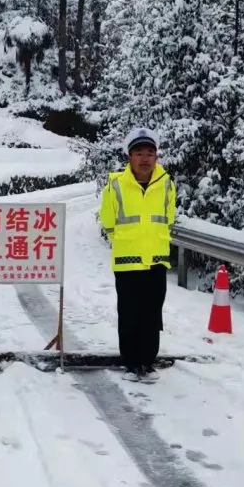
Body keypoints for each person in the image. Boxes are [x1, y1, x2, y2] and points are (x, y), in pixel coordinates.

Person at [99, 127, 176, 382]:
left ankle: (148, 361)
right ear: (129, 157)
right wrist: (124, 241)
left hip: (156, 260)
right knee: (130, 313)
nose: (145, 158)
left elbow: (169, 217)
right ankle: (132, 363)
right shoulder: (116, 185)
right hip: (127, 261)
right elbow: (108, 220)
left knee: (153, 313)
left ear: (156, 157)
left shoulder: (166, 184)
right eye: (139, 153)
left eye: (150, 153)